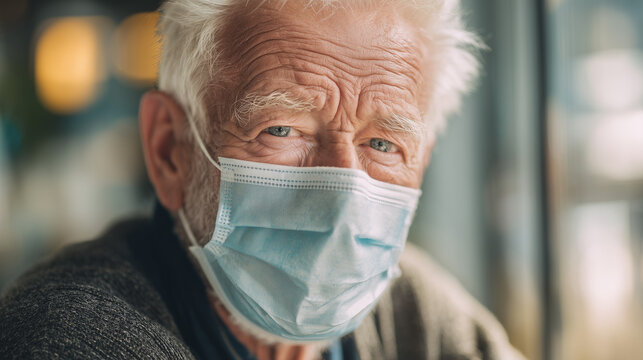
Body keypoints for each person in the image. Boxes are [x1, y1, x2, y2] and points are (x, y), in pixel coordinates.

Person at [0, 0, 525, 359]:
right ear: (168, 151)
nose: (342, 190)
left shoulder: (418, 314)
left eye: (383, 144)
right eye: (283, 128)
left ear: (424, 161)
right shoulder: (74, 333)